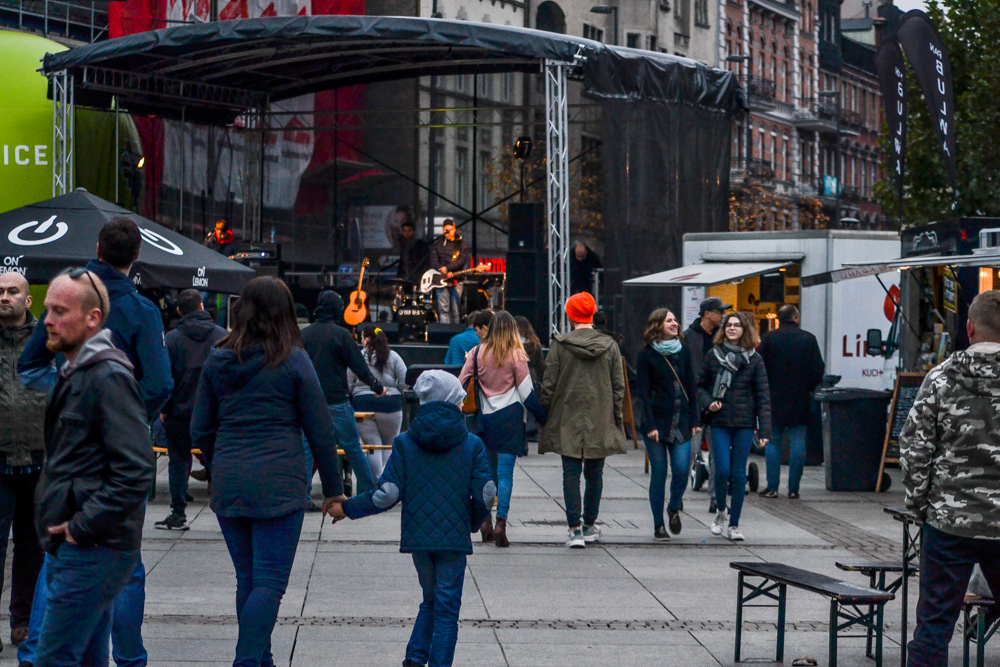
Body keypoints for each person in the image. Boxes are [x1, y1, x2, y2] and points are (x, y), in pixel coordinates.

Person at [18, 216, 171, 667]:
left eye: (56, 313)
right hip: (103, 472)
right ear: (136, 256)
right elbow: (160, 383)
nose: (49, 320)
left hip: (82, 480)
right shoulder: (138, 311)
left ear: (98, 250)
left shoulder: (78, 310)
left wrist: (76, 403)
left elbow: (29, 367)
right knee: (114, 570)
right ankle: (129, 657)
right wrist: (126, 416)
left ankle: (42, 651)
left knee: (66, 567)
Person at [191, 276, 346, 667]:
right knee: (270, 583)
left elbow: (200, 427)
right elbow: (320, 429)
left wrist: (217, 463)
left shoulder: (217, 359)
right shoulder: (293, 359)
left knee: (247, 578)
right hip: (280, 481)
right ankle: (246, 660)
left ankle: (263, 659)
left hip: (230, 479)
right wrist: (333, 488)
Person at [328, 371, 494, 667]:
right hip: (453, 541)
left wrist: (348, 508)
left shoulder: (405, 442)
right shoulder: (472, 444)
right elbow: (486, 493)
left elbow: (387, 494)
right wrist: (470, 522)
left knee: (430, 599)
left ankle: (415, 658)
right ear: (453, 401)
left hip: (419, 539)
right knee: (447, 610)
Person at [33, 269, 155, 666]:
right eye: (48, 309)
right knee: (85, 659)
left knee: (54, 658)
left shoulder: (107, 376)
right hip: (79, 544)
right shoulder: (76, 372)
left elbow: (136, 469)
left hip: (93, 548)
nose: (48, 320)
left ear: (93, 318)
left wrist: (82, 525)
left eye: (60, 311)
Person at [900, 290, 1000, 667]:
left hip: (949, 521)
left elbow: (915, 446)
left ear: (969, 328)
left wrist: (921, 504)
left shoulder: (941, 377)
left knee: (934, 623)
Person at [539, 292, 627, 549]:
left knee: (570, 474)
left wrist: (545, 413)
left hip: (567, 416)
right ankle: (589, 524)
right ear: (592, 314)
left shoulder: (560, 345)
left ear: (570, 316)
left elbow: (548, 385)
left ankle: (574, 529)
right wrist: (617, 418)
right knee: (595, 474)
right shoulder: (610, 345)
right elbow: (618, 387)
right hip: (600, 416)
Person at [459, 311, 546, 547]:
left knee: (486, 474)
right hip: (510, 420)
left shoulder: (477, 352)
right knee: (505, 474)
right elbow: (526, 392)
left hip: (483, 421)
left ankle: (485, 521)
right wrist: (542, 417)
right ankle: (501, 524)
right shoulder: (516, 353)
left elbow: (460, 384)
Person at [301, 290, 386, 496]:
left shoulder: (304, 334)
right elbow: (359, 367)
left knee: (306, 449)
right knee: (353, 448)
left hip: (309, 401)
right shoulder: (341, 335)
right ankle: (370, 492)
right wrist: (377, 387)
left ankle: (302, 494)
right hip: (336, 400)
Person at [156, 289, 227, 531]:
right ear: (201, 307)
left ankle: (178, 514)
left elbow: (166, 378)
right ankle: (228, 510)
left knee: (178, 461)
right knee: (218, 461)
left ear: (179, 311)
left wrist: (165, 409)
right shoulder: (221, 336)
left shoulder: (172, 339)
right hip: (215, 413)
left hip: (179, 412)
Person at [0, 273, 46, 648]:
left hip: (38, 459)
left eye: (12, 291)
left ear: (27, 300)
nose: (4, 297)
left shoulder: (47, 341)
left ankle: (24, 622)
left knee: (32, 549)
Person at [697, 311, 771, 542]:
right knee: (721, 470)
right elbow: (699, 386)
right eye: (728, 325)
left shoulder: (754, 359)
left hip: (744, 423)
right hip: (719, 422)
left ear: (744, 330)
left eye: (737, 325)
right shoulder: (713, 355)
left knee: (739, 475)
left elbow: (763, 396)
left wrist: (765, 430)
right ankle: (721, 511)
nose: (731, 328)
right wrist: (709, 402)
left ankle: (734, 524)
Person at [635, 308, 700, 541]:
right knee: (659, 473)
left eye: (675, 320)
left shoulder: (684, 350)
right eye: (669, 320)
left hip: (681, 421)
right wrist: (650, 424)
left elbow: (691, 386)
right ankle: (658, 525)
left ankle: (673, 507)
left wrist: (695, 419)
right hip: (656, 423)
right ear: (658, 326)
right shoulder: (646, 354)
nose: (674, 323)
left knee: (682, 469)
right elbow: (643, 393)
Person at [756, 305, 824, 499]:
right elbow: (818, 369)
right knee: (798, 442)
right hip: (800, 398)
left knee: (773, 442)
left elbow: (759, 367)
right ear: (796, 317)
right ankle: (793, 488)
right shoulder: (808, 339)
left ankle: (772, 487)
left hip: (773, 398)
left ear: (779, 318)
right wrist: (809, 388)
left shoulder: (769, 338)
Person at [348, 326, 408, 479]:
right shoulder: (393, 356)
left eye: (362, 338)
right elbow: (404, 381)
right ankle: (385, 481)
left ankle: (376, 481)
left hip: (363, 404)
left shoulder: (358, 356)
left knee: (373, 445)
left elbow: (348, 383)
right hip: (390, 406)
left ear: (367, 340)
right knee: (388, 445)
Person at [429, 220, 470, 324]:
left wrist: (447, 268)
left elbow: (462, 260)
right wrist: (441, 268)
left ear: (454, 229)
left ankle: (455, 331)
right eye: (445, 230)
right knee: (443, 310)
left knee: (455, 310)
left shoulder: (461, 244)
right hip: (441, 279)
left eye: (450, 230)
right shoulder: (438, 244)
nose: (448, 232)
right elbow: (433, 260)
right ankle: (445, 331)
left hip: (456, 279)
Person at [397, 219, 430, 286]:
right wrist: (399, 277)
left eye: (409, 230)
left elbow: (425, 263)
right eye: (405, 231)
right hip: (405, 278)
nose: (407, 233)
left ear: (413, 231)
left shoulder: (421, 245)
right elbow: (402, 263)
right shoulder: (403, 245)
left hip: (418, 278)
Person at [515, 315, 545, 387]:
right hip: (531, 378)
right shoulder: (534, 343)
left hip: (514, 379)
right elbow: (541, 365)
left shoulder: (509, 345)